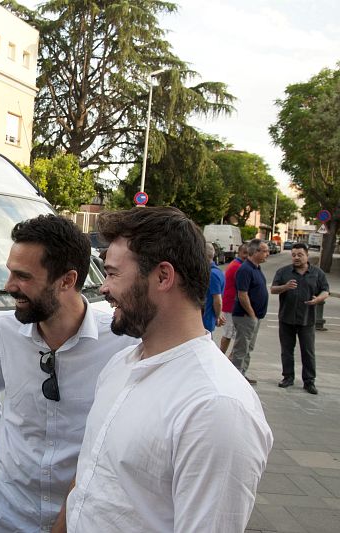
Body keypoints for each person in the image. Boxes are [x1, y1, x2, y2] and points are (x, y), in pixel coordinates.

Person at [64, 207, 272, 532]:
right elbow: (92, 482)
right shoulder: (121, 364)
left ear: (163, 276)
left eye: (113, 273)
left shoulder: (216, 407)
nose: (103, 288)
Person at [0, 214, 138, 532]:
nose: (9, 286)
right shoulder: (4, 332)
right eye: (10, 272)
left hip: (80, 523)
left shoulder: (121, 344)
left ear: (67, 280)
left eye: (23, 276)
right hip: (2, 517)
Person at [270, 243, 329, 394]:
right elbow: (273, 289)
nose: (296, 257)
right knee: (287, 350)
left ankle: (309, 381)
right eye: (294, 255)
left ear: (307, 255)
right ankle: (288, 377)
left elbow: (325, 290)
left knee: (308, 351)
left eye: (300, 255)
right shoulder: (283, 272)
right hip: (286, 318)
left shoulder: (317, 273)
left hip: (307, 320)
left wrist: (318, 300)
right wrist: (284, 287)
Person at [230, 238, 270, 384]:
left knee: (248, 347)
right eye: (264, 251)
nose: (267, 254)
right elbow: (242, 294)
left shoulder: (257, 268)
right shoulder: (245, 269)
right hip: (245, 316)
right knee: (242, 347)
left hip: (254, 316)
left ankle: (242, 374)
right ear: (255, 252)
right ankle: (235, 378)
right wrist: (252, 314)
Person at [219, 244, 248, 354]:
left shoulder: (236, 264)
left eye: (248, 253)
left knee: (230, 333)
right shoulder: (237, 266)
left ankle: (223, 356)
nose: (246, 256)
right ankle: (222, 357)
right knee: (229, 333)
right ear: (239, 253)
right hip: (231, 304)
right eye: (244, 253)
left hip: (230, 304)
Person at [202, 242, 226, 333]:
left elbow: (217, 299)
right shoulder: (218, 272)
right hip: (208, 320)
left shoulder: (212, 274)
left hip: (206, 322)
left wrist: (218, 316)